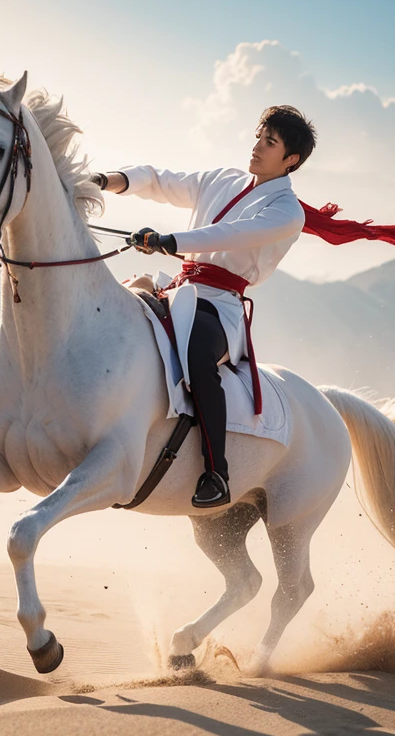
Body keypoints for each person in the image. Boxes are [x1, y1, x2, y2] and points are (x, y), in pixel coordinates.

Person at [91, 105, 315, 509]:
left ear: (291, 160)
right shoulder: (222, 180)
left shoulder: (287, 212)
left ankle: (217, 473)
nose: (257, 146)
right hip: (179, 286)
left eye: (270, 142)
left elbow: (232, 234)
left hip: (219, 306)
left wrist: (169, 241)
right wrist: (106, 180)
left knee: (197, 355)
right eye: (258, 137)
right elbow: (159, 180)